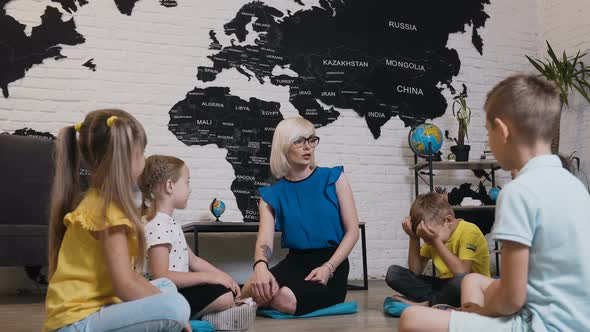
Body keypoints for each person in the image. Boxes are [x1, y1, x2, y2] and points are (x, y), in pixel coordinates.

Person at [399, 74, 590, 332]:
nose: (489, 140)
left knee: (411, 319)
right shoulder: (576, 187)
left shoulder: (518, 192)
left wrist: (480, 311)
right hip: (580, 319)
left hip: (542, 325)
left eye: (488, 132)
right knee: (473, 281)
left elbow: (511, 299)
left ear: (502, 130)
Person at [44, 109, 190, 332]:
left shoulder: (96, 202)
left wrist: (161, 300)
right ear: (125, 158)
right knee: (177, 306)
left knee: (166, 286)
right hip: (77, 324)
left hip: (82, 317)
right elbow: (125, 287)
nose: (144, 161)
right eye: (142, 153)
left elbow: (129, 276)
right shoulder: (109, 214)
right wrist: (174, 313)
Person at [241, 117, 360, 316]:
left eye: (311, 140)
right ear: (283, 146)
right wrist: (261, 267)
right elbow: (265, 241)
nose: (308, 147)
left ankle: (262, 302)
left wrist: (328, 267)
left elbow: (353, 232)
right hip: (295, 262)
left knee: (282, 298)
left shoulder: (335, 178)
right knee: (252, 288)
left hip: (331, 264)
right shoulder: (271, 195)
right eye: (299, 141)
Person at [138, 155, 255, 330]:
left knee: (223, 290)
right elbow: (161, 276)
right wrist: (209, 277)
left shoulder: (170, 223)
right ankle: (206, 318)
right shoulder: (158, 225)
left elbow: (194, 261)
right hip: (165, 297)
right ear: (170, 186)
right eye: (187, 182)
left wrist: (223, 277)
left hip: (177, 292)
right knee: (223, 295)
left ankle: (209, 316)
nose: (190, 189)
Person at [386, 192, 490, 308]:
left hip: (472, 289)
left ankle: (427, 303)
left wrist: (435, 241)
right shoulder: (432, 236)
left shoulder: (470, 231)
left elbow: (462, 272)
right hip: (446, 286)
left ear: (449, 221)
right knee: (393, 273)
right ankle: (439, 300)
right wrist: (413, 238)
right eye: (424, 238)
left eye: (429, 237)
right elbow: (415, 271)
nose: (427, 242)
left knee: (461, 281)